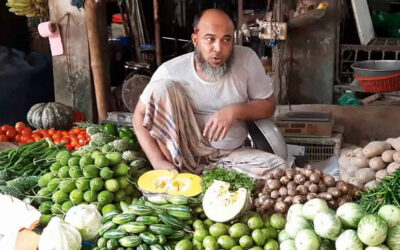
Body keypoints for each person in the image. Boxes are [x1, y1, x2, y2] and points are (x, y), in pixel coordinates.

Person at [133, 9, 277, 173]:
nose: (218, 48)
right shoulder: (170, 70)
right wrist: (157, 161)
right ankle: (185, 174)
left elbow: (268, 105)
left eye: (226, 40)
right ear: (195, 39)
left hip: (231, 157)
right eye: (210, 39)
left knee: (278, 171)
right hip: (183, 160)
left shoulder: (247, 60)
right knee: (161, 88)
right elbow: (139, 116)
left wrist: (235, 111)